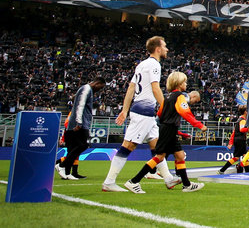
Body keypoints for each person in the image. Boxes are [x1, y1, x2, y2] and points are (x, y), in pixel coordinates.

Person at [103, 36, 177, 192]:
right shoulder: (154, 65)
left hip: (146, 113)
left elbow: (131, 88)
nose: (166, 49)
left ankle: (169, 179)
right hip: (143, 113)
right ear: (158, 49)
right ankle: (109, 182)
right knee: (129, 145)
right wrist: (166, 107)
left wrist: (125, 110)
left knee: (157, 147)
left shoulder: (141, 65)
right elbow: (155, 88)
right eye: (164, 46)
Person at [124, 72, 206, 193]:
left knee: (180, 156)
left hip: (167, 128)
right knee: (160, 157)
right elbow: (185, 112)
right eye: (184, 82)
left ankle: (187, 185)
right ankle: (134, 181)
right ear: (178, 84)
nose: (186, 84)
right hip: (169, 129)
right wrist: (199, 125)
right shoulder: (180, 96)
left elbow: (160, 114)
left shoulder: (167, 97)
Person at [59, 77, 105, 180]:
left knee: (73, 148)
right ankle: (61, 165)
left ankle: (67, 173)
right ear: (97, 83)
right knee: (83, 145)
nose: (99, 90)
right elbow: (80, 105)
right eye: (100, 87)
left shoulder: (84, 89)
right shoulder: (87, 89)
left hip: (75, 123)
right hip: (80, 123)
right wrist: (79, 121)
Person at [218, 106, 248, 174]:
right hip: (240, 140)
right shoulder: (242, 120)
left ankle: (247, 172)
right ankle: (222, 170)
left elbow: (234, 132)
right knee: (238, 157)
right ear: (245, 112)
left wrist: (230, 142)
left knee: (244, 156)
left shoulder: (239, 119)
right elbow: (242, 129)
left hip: (238, 140)